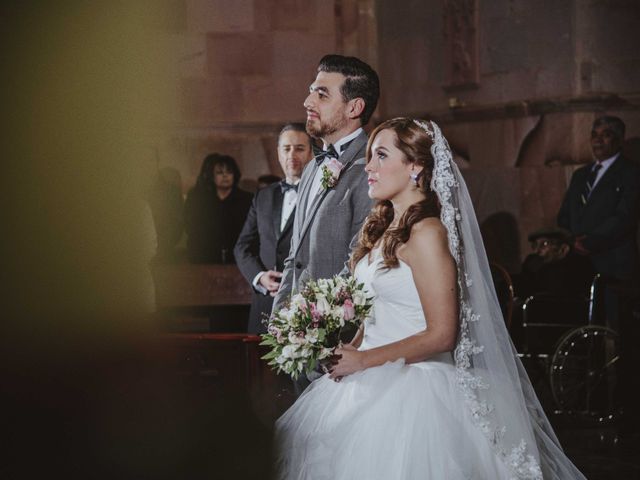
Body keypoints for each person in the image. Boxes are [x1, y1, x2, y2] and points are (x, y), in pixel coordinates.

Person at [275, 118, 586, 479]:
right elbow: (377, 312)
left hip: (415, 389)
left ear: (415, 166)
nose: (369, 167)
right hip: (366, 376)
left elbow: (442, 335)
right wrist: (348, 347)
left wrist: (363, 360)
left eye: (380, 155)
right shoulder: (382, 228)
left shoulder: (427, 232)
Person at [272, 54, 379, 392]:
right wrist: (282, 326)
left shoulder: (372, 169)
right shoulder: (314, 166)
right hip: (299, 345)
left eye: (322, 94)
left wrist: (318, 333)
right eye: (310, 91)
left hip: (339, 350)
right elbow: (295, 256)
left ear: (354, 107)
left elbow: (358, 262)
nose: (307, 102)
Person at [234, 124, 313, 334]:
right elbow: (242, 247)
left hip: (306, 306)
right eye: (286, 148)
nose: (292, 155)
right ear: (278, 153)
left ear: (311, 152)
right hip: (264, 308)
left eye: (299, 148)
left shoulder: (321, 195)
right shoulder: (263, 196)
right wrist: (259, 277)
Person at [557, 115, 640, 282]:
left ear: (619, 140)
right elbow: (564, 215)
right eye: (594, 135)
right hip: (578, 263)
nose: (598, 140)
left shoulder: (631, 173)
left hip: (613, 263)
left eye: (606, 135)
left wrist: (591, 242)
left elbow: (624, 216)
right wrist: (572, 241)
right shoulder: (580, 175)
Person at [184, 153, 252, 264]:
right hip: (204, 257)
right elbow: (191, 227)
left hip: (237, 258)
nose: (225, 176)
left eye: (229, 172)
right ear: (212, 176)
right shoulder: (201, 200)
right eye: (220, 172)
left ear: (235, 175)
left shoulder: (247, 199)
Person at [517, 227, 594, 298]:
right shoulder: (533, 262)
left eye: (544, 244)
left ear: (563, 249)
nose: (537, 251)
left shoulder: (578, 266)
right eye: (535, 245)